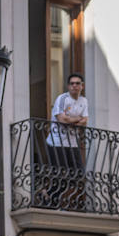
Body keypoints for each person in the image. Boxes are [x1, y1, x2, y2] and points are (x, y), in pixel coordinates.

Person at [47, 73, 88, 209]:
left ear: (82, 86)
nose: (74, 86)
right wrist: (76, 120)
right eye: (72, 83)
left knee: (78, 174)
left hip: (72, 143)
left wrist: (71, 120)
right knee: (60, 174)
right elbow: (62, 119)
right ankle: (52, 200)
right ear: (68, 86)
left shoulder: (84, 101)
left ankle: (47, 194)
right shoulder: (62, 98)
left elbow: (85, 121)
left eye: (77, 83)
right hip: (56, 142)